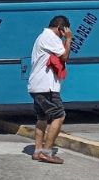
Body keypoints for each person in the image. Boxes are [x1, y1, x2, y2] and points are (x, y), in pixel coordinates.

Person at [28, 15, 72, 165]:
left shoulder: (42, 37)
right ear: (61, 29)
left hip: (37, 86)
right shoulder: (51, 37)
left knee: (42, 118)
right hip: (46, 87)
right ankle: (47, 152)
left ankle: (38, 151)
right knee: (59, 116)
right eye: (63, 32)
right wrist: (69, 39)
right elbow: (65, 56)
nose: (63, 35)